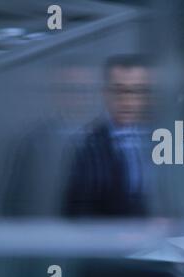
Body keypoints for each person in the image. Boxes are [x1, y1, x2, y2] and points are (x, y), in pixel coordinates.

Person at [63, 54, 155, 218]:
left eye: (137, 92)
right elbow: (77, 213)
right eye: (119, 91)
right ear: (106, 93)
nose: (128, 101)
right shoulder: (86, 146)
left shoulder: (161, 139)